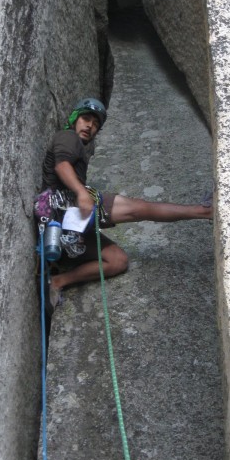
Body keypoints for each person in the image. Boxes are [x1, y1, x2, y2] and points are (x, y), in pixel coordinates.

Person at [36, 97, 212, 308]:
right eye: (86, 118)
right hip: (63, 207)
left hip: (71, 215)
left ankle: (56, 282)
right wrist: (81, 192)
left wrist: (81, 194)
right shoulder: (67, 137)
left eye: (95, 124)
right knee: (139, 209)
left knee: (118, 260)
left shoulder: (78, 147)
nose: (90, 126)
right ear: (75, 118)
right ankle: (204, 211)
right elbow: (62, 166)